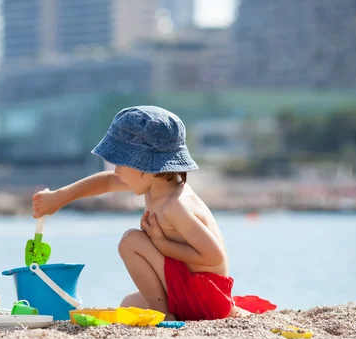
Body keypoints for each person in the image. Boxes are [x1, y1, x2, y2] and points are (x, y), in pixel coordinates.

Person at [32, 106, 249, 321]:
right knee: (128, 304)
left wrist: (161, 244)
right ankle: (167, 311)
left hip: (204, 297)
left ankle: (165, 316)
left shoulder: (175, 205)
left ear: (145, 166)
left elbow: (214, 256)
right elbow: (107, 182)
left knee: (130, 241)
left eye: (121, 164)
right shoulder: (158, 185)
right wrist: (60, 197)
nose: (116, 171)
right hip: (198, 292)